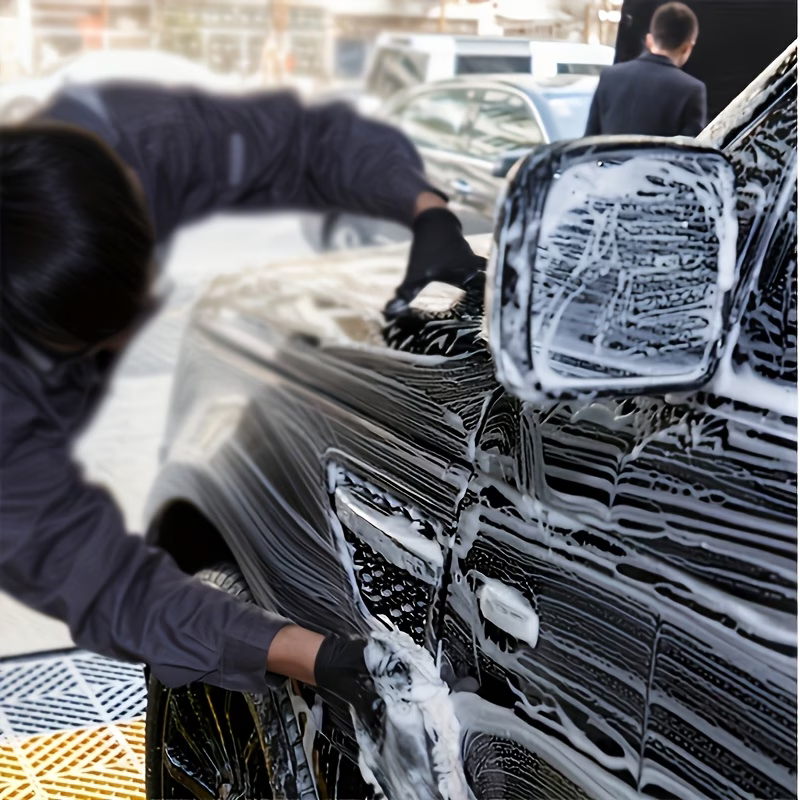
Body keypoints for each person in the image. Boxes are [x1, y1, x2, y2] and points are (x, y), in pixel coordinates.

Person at [0, 83, 484, 710]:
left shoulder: (137, 147)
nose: (148, 310)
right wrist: (316, 658)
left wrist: (428, 213)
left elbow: (306, 138)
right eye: (97, 334)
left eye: (143, 269)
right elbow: (99, 582)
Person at [584, 2, 707, 137]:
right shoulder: (691, 89)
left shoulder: (609, 76)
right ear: (687, 47)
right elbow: (690, 147)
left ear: (649, 40)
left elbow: (590, 139)